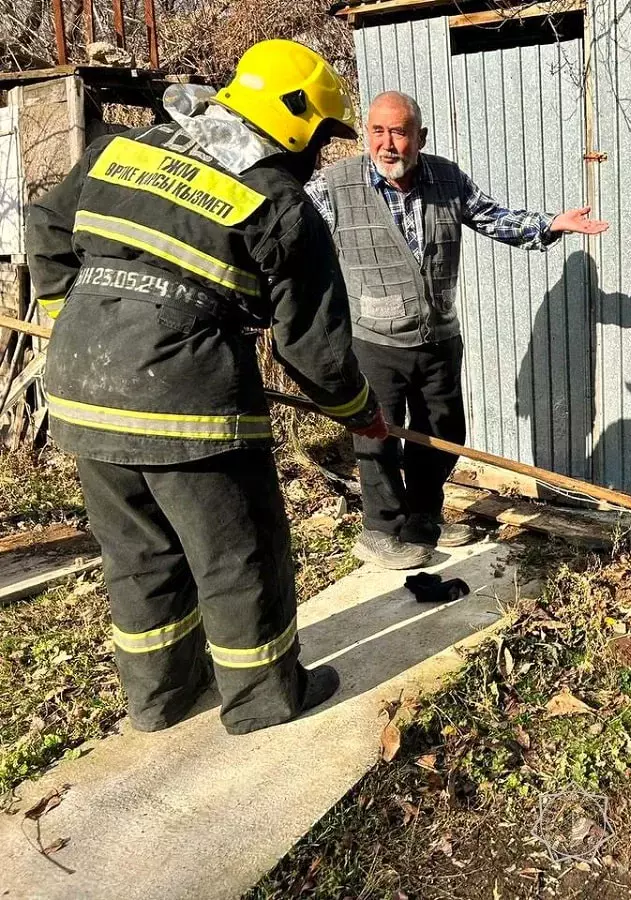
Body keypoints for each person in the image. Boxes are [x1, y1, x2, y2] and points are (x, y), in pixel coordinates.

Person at [25, 40, 389, 736]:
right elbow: (313, 347)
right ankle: (262, 700)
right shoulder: (280, 206)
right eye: (322, 134)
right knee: (237, 555)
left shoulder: (121, 151)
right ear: (296, 122)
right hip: (186, 407)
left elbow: (46, 227)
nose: (320, 151)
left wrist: (72, 319)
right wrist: (358, 411)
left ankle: (160, 700)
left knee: (140, 555)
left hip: (79, 391)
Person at [305, 91, 608, 570]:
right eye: (378, 131)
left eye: (400, 132)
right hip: (373, 340)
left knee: (441, 431)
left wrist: (551, 223)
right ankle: (380, 530)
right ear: (367, 134)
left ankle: (424, 519)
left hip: (439, 337)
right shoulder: (334, 186)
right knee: (376, 435)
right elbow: (289, 238)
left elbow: (492, 216)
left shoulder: (446, 178)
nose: (388, 144)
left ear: (419, 137)